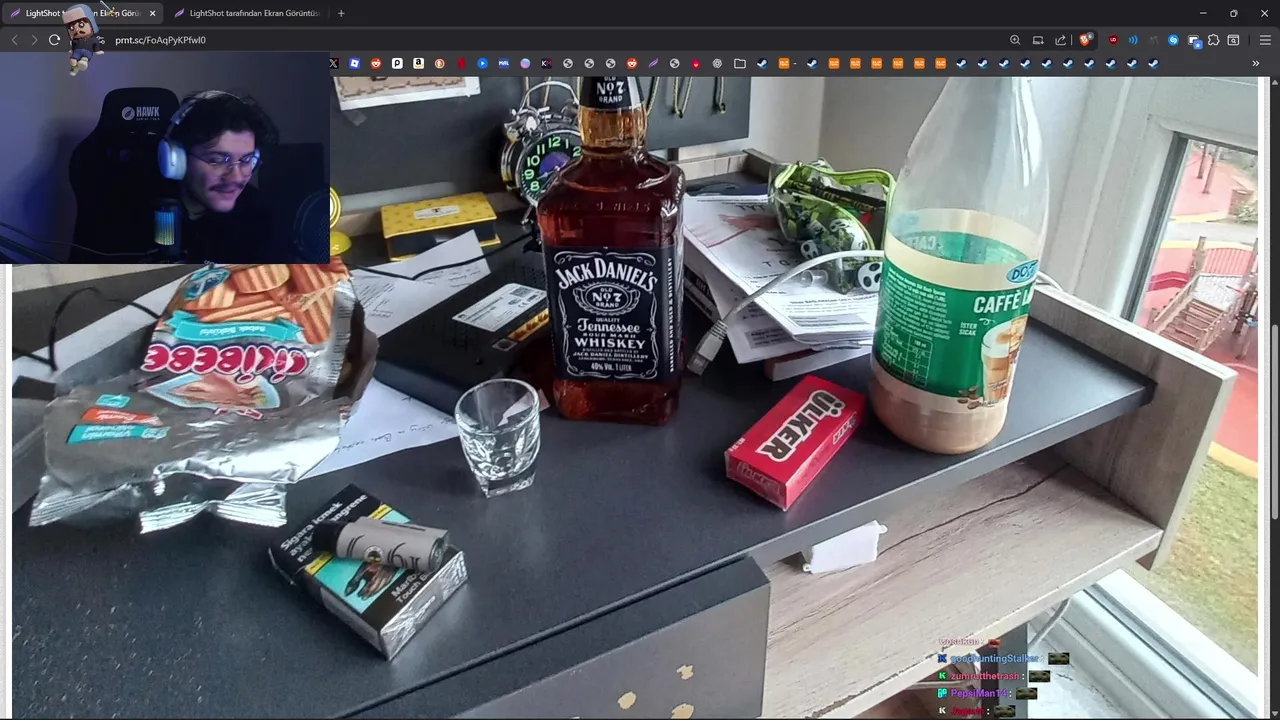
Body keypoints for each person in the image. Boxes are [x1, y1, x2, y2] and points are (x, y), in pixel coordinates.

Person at [164, 92, 289, 262]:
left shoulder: (264, 220)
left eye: (246, 160)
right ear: (177, 159)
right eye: (217, 160)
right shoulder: (136, 212)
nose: (236, 178)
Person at [62, 4, 105, 76]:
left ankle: (83, 63)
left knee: (84, 59)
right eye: (72, 28)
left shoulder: (93, 40)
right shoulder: (75, 41)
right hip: (77, 52)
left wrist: (97, 51)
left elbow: (96, 45)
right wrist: (72, 50)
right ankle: (74, 69)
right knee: (72, 60)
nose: (77, 30)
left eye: (81, 25)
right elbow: (73, 45)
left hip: (87, 52)